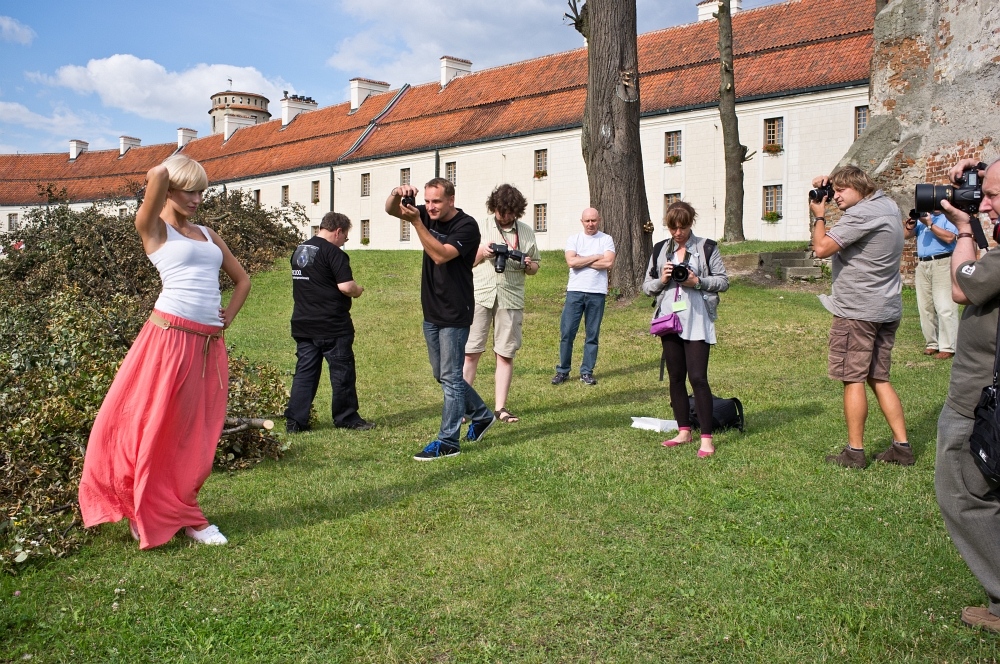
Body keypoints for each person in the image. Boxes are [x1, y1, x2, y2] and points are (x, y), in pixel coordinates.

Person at [78, 154, 251, 548]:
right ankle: (143, 508)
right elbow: (155, 174)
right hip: (167, 338)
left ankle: (184, 511)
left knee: (195, 436)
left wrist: (227, 319)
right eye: (188, 190)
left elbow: (242, 281)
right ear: (170, 189)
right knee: (150, 427)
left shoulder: (208, 233)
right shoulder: (152, 229)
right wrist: (173, 166)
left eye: (201, 191)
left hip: (207, 345)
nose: (196, 198)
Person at [933, 157, 1000, 633]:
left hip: (979, 400)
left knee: (965, 493)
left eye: (994, 195)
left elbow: (962, 286)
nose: (986, 204)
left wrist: (963, 230)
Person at [386, 178, 496, 460]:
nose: (430, 207)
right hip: (431, 310)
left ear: (451, 200)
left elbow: (439, 255)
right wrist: (396, 193)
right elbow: (390, 210)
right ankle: (482, 415)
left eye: (436, 202)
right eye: (427, 201)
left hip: (455, 311)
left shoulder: (467, 226)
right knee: (443, 375)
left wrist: (417, 223)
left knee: (450, 378)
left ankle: (448, 441)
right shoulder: (424, 213)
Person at [809, 164, 911, 469]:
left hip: (858, 311)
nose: (837, 197)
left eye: (842, 191)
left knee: (852, 378)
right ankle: (901, 447)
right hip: (886, 307)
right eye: (834, 191)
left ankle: (855, 452)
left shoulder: (862, 214)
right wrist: (828, 191)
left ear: (860, 187)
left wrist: (819, 214)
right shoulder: (888, 206)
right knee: (879, 376)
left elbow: (822, 247)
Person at [642, 201, 728, 458]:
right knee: (676, 378)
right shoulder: (660, 250)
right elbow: (647, 286)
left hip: (697, 319)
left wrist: (697, 281)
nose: (678, 232)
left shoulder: (707, 247)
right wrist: (663, 279)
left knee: (698, 378)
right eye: (673, 227)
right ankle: (683, 430)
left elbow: (723, 282)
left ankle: (706, 438)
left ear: (691, 223)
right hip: (669, 321)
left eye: (683, 226)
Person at [284, 212, 374, 433]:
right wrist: (359, 290)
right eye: (345, 237)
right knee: (342, 372)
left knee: (305, 373)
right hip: (332, 324)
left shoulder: (299, 251)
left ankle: (296, 421)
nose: (344, 242)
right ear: (338, 231)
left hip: (304, 323)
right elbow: (346, 286)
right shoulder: (334, 253)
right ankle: (346, 417)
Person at [463, 185, 540, 423]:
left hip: (510, 297)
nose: (505, 216)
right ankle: (462, 407)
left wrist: (528, 265)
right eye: (501, 211)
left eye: (510, 213)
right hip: (480, 294)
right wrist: (482, 253)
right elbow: (466, 263)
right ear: (493, 207)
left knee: (505, 353)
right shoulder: (481, 227)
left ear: (517, 211)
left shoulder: (526, 232)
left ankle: (501, 408)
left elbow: (536, 266)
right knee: (470, 352)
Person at [551, 208, 616, 386]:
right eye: (587, 221)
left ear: (599, 220)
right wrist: (596, 257)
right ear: (582, 221)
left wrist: (583, 260)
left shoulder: (606, 239)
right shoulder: (574, 239)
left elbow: (609, 262)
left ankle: (586, 372)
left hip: (597, 293)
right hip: (575, 291)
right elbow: (571, 262)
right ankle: (563, 370)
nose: (590, 224)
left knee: (592, 334)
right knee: (567, 333)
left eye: (593, 220)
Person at [904, 209, 959, 359]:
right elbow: (905, 235)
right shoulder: (924, 217)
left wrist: (930, 224)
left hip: (943, 261)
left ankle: (948, 346)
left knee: (945, 306)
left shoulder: (948, 217)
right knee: (925, 306)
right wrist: (910, 225)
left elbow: (950, 238)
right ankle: (932, 343)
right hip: (923, 265)